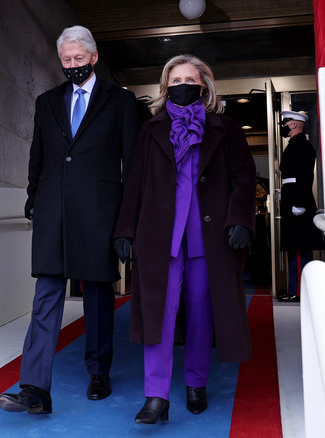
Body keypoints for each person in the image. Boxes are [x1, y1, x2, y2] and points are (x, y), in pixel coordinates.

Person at [0, 25, 139, 414]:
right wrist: (32, 196)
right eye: (66, 60)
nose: (72, 65)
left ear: (94, 57)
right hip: (53, 212)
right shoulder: (46, 102)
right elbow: (37, 155)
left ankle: (99, 371)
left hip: (100, 213)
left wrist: (129, 221)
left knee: (96, 295)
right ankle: (35, 387)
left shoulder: (121, 103)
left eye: (79, 59)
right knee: (46, 296)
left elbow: (134, 166)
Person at [113, 54, 256, 424]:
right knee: (159, 314)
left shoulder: (226, 128)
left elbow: (243, 179)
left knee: (201, 312)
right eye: (174, 81)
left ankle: (196, 383)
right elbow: (135, 185)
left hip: (208, 238)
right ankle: (156, 396)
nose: (181, 85)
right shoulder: (151, 130)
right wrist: (125, 229)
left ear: (204, 85)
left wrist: (240, 219)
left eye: (189, 79)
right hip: (160, 237)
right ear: (165, 87)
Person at [276, 110, 324, 302]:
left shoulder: (302, 146)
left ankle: (299, 292)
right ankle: (296, 289)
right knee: (294, 248)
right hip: (293, 198)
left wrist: (299, 202)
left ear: (294, 125)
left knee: (299, 249)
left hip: (298, 201)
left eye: (285, 123)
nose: (283, 127)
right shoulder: (295, 145)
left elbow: (304, 177)